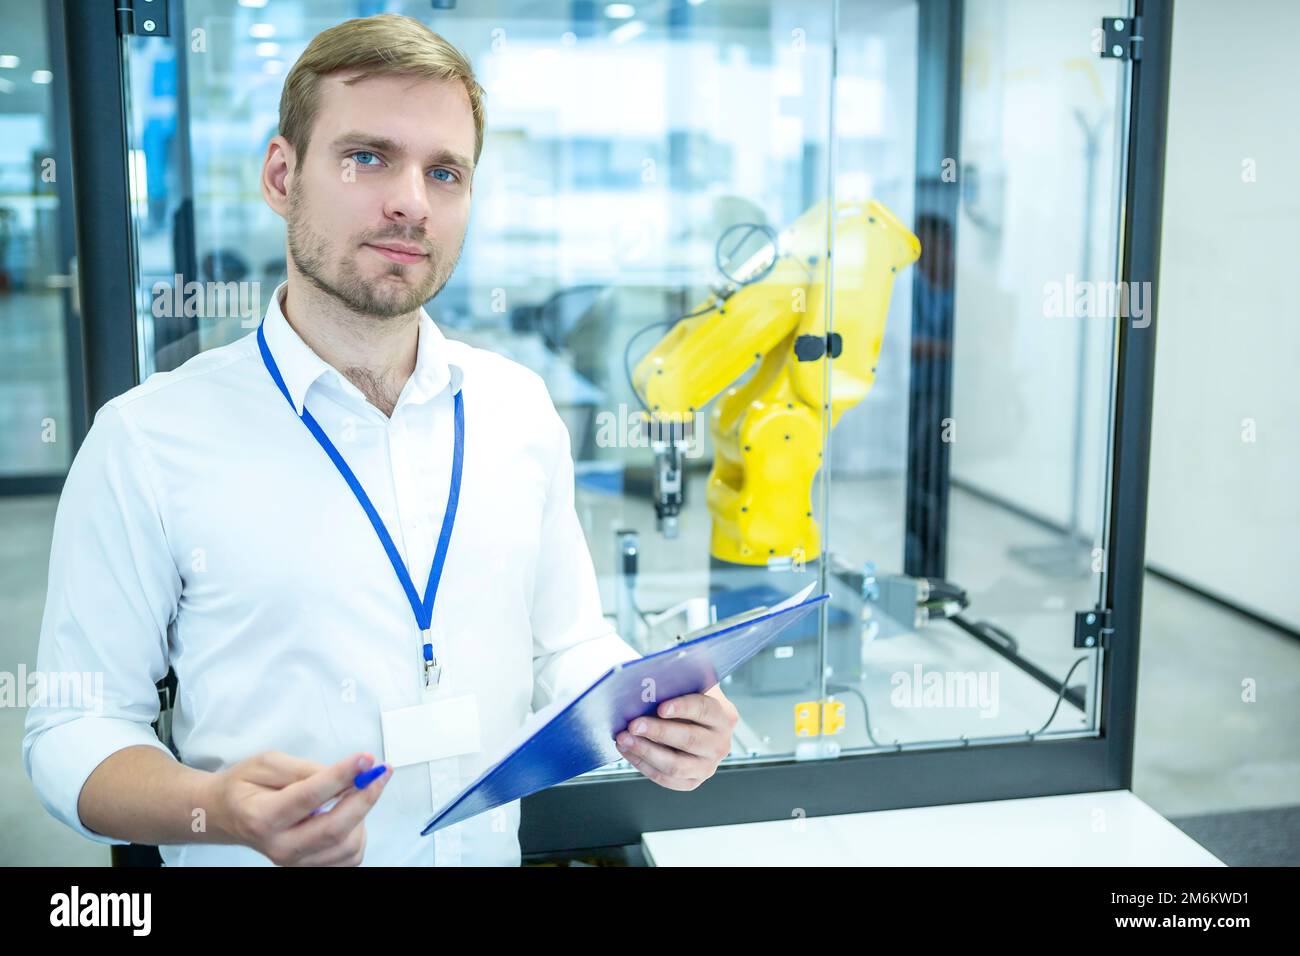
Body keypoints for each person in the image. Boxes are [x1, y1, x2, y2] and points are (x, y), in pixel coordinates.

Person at [23, 13, 737, 867]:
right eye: (367, 157)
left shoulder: (515, 408)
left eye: (445, 172)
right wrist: (214, 808)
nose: (411, 201)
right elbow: (75, 728)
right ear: (281, 175)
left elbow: (569, 644)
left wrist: (655, 714)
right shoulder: (147, 439)